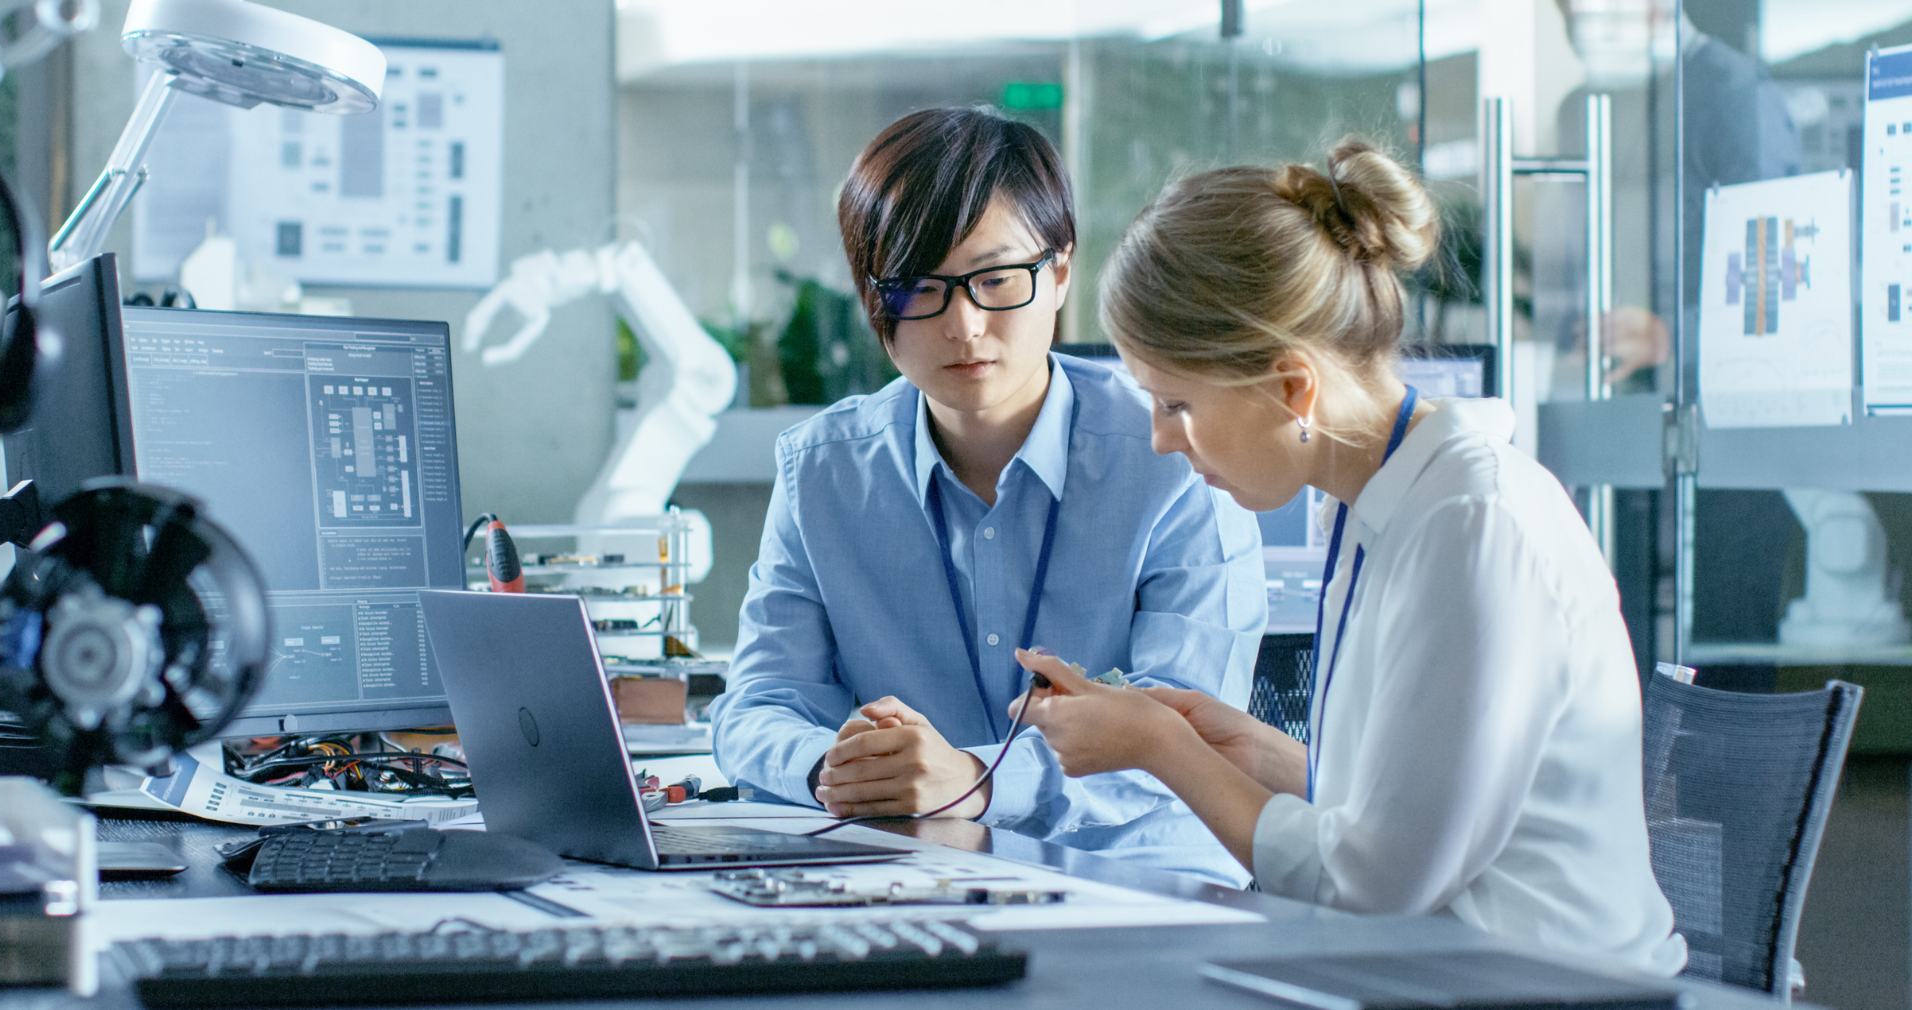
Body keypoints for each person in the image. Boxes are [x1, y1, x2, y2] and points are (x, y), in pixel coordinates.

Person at [1011, 140, 1688, 972]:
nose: (1161, 439)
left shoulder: (1472, 526)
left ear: (1294, 387)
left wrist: (1164, 750)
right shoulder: (1381, 505)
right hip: (1446, 972)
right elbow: (1411, 810)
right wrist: (1258, 755)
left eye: (1177, 403)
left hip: (1540, 987)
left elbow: (1374, 885)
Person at [708, 107, 1268, 860]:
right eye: (918, 289)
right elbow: (759, 704)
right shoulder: (823, 470)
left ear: (1061, 270)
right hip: (909, 881)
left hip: (1138, 883)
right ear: (873, 297)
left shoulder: (1176, 457)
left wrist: (975, 780)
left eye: (997, 279)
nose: (964, 326)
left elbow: (1190, 740)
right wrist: (833, 769)